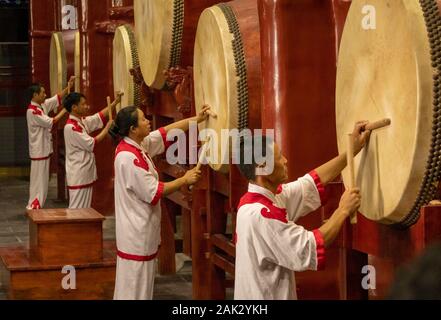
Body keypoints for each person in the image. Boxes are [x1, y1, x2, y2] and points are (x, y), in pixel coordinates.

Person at [234, 122, 371, 300]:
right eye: (279, 157)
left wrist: (351, 152)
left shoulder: (259, 200)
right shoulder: (261, 215)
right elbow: (309, 245)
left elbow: (310, 184)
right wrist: (343, 210)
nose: (285, 160)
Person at [110, 105, 210, 300]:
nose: (148, 120)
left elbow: (165, 133)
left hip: (138, 230)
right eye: (142, 119)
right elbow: (154, 191)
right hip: (135, 233)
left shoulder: (137, 145)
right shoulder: (128, 157)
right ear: (133, 129)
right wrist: (185, 179)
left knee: (136, 289)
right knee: (134, 291)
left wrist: (196, 120)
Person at [63, 92, 121, 209]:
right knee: (77, 210)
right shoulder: (71, 127)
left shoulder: (80, 121)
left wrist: (115, 103)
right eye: (83, 104)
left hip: (83, 173)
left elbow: (97, 117)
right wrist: (107, 128)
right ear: (74, 107)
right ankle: (75, 228)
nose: (86, 106)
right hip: (78, 175)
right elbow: (92, 143)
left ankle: (82, 228)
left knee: (83, 210)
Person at [26, 77, 74, 210]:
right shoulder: (33, 111)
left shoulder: (41, 105)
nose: (45, 94)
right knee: (38, 180)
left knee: (42, 180)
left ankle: (37, 203)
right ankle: (34, 204)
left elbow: (55, 99)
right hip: (38, 150)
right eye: (43, 93)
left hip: (43, 149)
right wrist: (66, 109)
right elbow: (52, 121)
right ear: (35, 95)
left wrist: (68, 86)